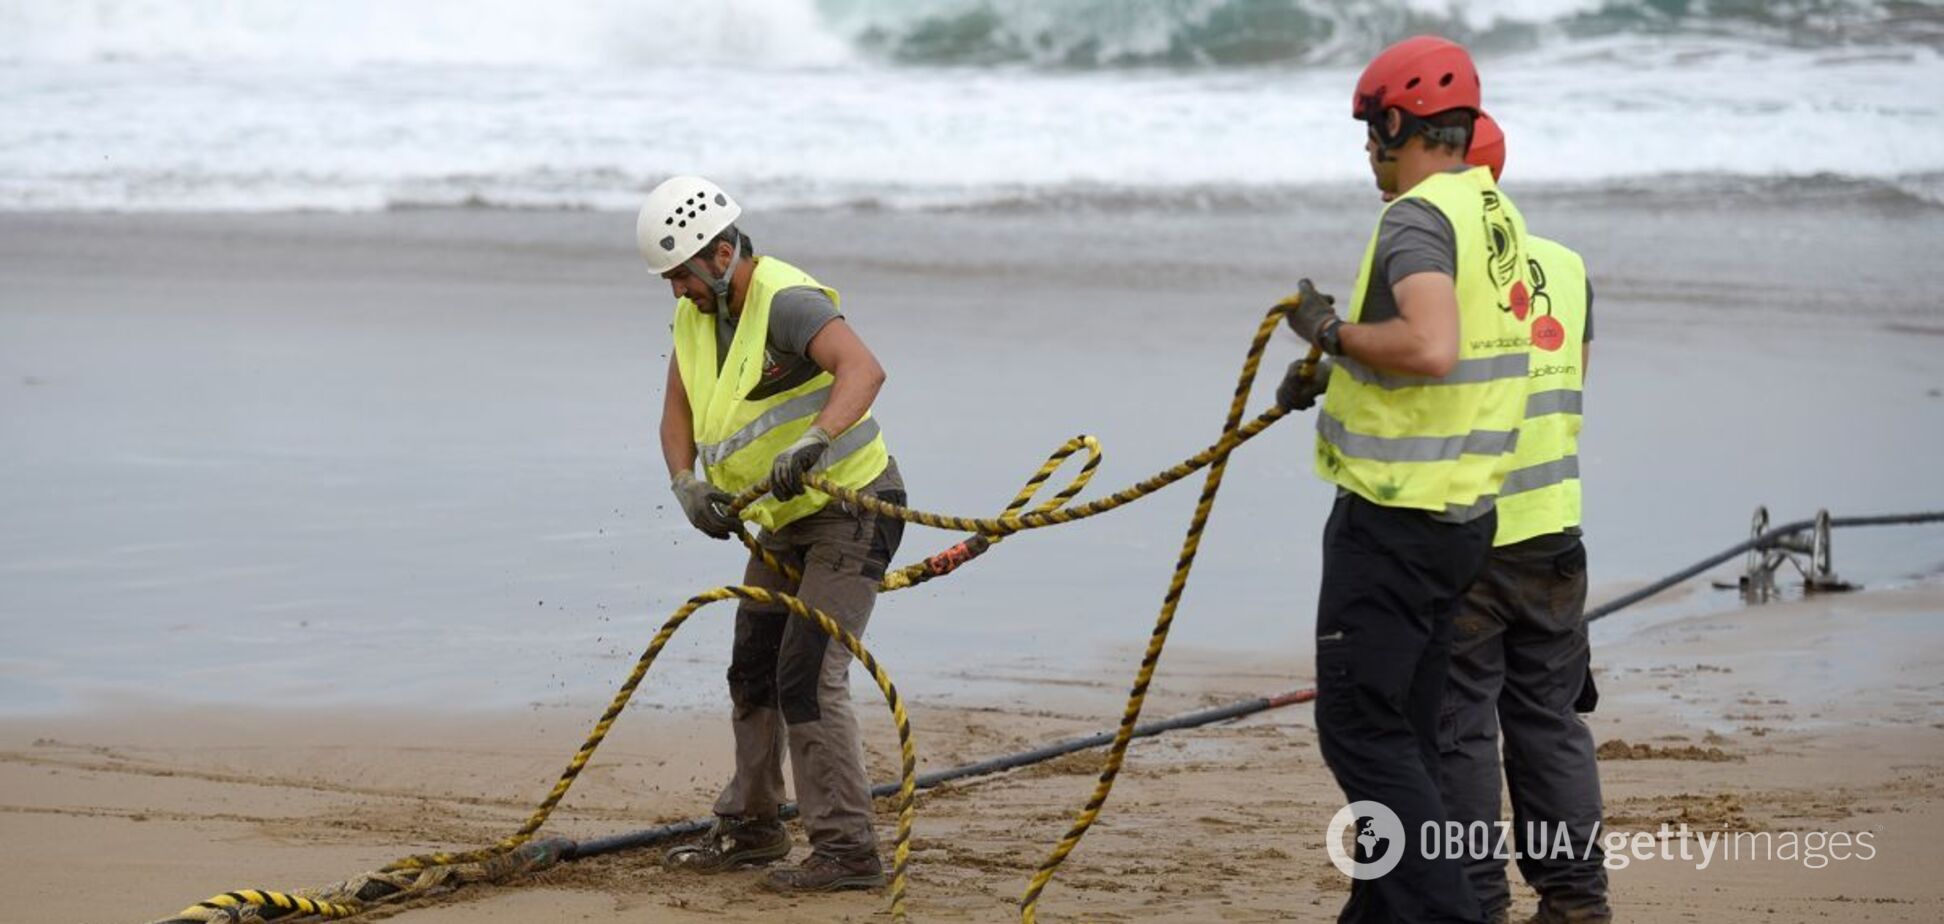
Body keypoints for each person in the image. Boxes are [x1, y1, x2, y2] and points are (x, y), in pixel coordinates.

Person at [1278, 35, 1535, 924]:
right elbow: (1451, 354)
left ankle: (1446, 912)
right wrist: (1338, 370)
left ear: (1398, 123)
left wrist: (1329, 333)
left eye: (1370, 129)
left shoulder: (1416, 219)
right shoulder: (1493, 213)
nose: (1366, 149)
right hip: (1461, 519)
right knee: (1409, 732)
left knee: (1361, 729)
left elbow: (1430, 346)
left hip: (1395, 521)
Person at [640, 176, 907, 893]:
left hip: (855, 510)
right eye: (668, 281)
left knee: (807, 674)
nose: (677, 292)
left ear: (721, 254)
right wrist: (685, 484)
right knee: (753, 667)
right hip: (781, 524)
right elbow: (676, 416)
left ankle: (848, 851)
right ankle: (753, 827)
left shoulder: (786, 301)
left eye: (681, 276)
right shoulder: (695, 319)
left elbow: (864, 369)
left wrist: (817, 440)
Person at [1437, 114, 1611, 924]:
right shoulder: (1567, 267)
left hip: (1468, 533)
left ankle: (1475, 901)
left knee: (1461, 727)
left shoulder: (1432, 273)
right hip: (1554, 534)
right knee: (1550, 721)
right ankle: (1576, 899)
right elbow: (1572, 380)